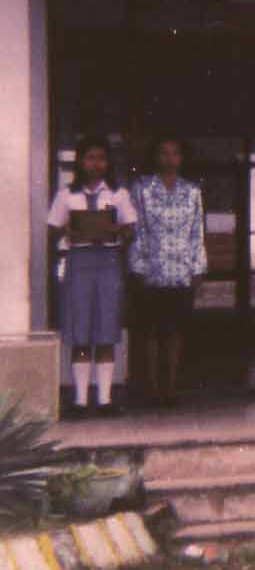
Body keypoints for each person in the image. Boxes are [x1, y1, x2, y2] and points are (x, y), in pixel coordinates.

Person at [46, 136, 137, 416]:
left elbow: (131, 230)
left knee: (106, 329)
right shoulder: (67, 195)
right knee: (82, 330)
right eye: (90, 158)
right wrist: (68, 232)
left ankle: (106, 399)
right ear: (80, 161)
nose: (96, 164)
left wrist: (118, 230)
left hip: (108, 262)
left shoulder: (118, 194)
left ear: (108, 162)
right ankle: (81, 400)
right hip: (79, 262)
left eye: (101, 158)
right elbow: (53, 228)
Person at [127, 136, 206, 408]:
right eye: (164, 153)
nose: (169, 158)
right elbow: (137, 229)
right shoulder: (142, 188)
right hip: (151, 267)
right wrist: (137, 265)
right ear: (155, 156)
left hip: (181, 269)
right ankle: (151, 387)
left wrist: (198, 267)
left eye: (175, 153)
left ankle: (171, 388)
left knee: (175, 330)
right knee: (151, 330)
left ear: (182, 158)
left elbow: (197, 231)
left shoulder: (192, 191)